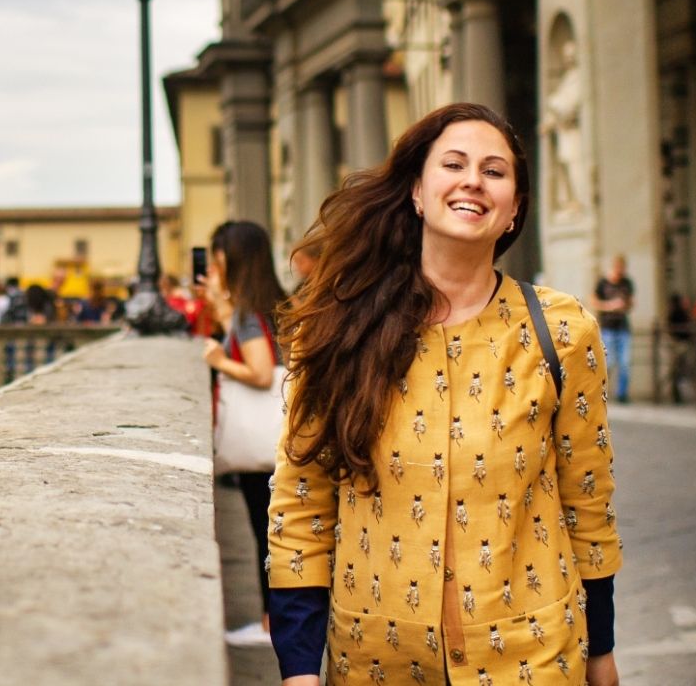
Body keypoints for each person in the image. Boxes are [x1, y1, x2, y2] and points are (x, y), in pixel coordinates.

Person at [265, 102, 621, 686]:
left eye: (495, 171)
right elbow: (302, 499)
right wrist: (299, 668)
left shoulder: (561, 330)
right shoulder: (336, 327)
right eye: (453, 164)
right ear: (416, 192)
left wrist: (601, 649)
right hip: (377, 660)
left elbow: (588, 499)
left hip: (532, 656)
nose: (473, 181)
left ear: (513, 211)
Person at [200, 219, 285, 649]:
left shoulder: (250, 315)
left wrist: (218, 360)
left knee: (265, 531)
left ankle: (272, 626)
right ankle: (275, 622)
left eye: (217, 257)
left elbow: (259, 371)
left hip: (261, 448)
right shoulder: (269, 305)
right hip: (279, 445)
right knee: (278, 532)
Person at [591, 255, 634, 403]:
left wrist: (624, 306)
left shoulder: (627, 283)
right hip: (608, 327)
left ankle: (622, 394)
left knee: (625, 362)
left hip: (623, 327)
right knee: (608, 363)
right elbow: (594, 301)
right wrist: (610, 306)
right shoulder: (603, 282)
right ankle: (603, 391)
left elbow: (631, 302)